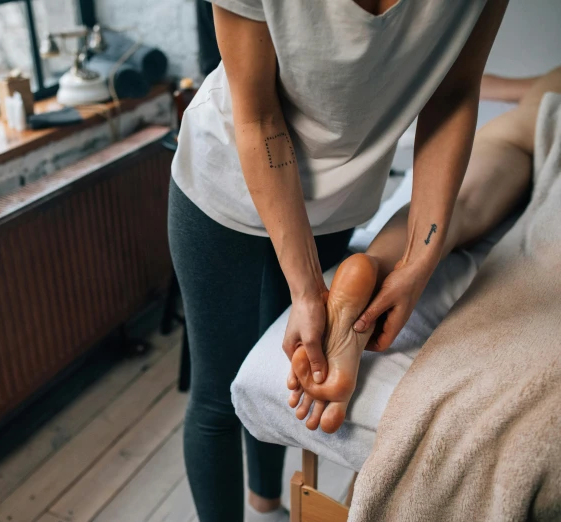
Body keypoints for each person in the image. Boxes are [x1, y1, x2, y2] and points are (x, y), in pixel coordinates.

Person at [168, 0, 509, 520]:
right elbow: (257, 115)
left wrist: (419, 262)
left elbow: (455, 92)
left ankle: (266, 502)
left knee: (284, 360)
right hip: (224, 182)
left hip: (337, 202)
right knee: (219, 394)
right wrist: (306, 290)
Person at [289, 66, 561, 433]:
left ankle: (375, 269)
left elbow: (527, 86)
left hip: (536, 122)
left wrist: (521, 88)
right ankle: (362, 298)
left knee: (459, 204)